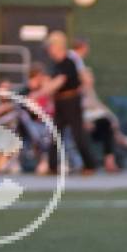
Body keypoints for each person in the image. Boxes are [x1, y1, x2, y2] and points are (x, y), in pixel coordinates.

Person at [43, 31, 98, 175]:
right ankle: (52, 166)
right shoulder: (56, 63)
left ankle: (89, 165)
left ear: (58, 46)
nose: (49, 50)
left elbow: (60, 81)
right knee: (56, 133)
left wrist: (41, 92)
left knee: (78, 134)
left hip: (71, 101)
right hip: (59, 101)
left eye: (51, 46)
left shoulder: (69, 61)